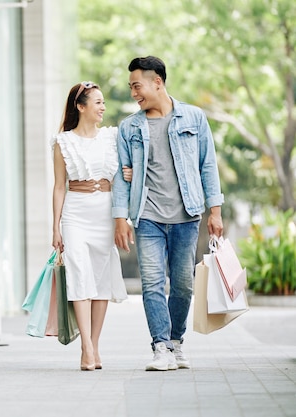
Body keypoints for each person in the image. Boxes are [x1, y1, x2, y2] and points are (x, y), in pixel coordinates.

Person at [112, 56, 224, 371]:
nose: (134, 93)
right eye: (131, 87)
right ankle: (160, 346)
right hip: (147, 217)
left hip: (187, 217)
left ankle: (176, 342)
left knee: (183, 285)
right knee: (151, 282)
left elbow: (208, 165)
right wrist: (121, 217)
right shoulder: (130, 128)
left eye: (137, 86)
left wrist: (215, 211)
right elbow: (122, 176)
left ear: (157, 82)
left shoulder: (194, 117)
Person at [51, 81, 131, 371]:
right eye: (97, 102)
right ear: (80, 106)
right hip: (75, 214)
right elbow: (59, 186)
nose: (103, 108)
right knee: (78, 275)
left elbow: (124, 174)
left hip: (105, 213)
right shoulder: (62, 142)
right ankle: (85, 346)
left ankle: (95, 345)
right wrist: (55, 227)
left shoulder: (112, 137)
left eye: (103, 102)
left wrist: (129, 174)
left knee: (101, 281)